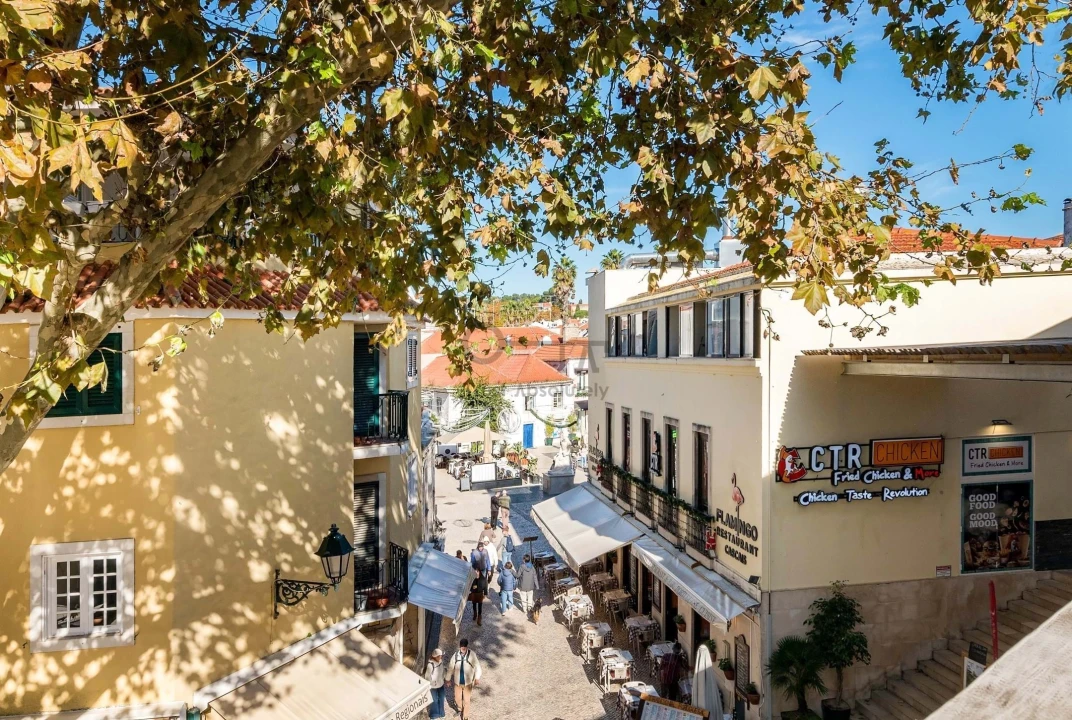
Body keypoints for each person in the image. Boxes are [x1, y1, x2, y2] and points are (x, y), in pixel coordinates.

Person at [447, 639, 482, 720]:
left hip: (468, 683)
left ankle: (465, 716)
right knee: (457, 698)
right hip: (457, 682)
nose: (463, 649)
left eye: (464, 648)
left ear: (467, 647)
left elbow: (478, 667)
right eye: (461, 648)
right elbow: (451, 668)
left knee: (467, 700)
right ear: (459, 647)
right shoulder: (455, 655)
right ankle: (460, 709)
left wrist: (477, 678)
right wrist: (448, 679)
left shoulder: (472, 655)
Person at [423, 648, 446, 719]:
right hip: (433, 686)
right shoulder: (430, 665)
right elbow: (427, 676)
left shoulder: (441, 662)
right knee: (434, 700)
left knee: (442, 698)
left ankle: (442, 714)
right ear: (435, 656)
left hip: (441, 684)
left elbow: (442, 671)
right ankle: (434, 715)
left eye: (441, 655)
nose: (441, 657)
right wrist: (433, 683)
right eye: (439, 656)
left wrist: (444, 677)